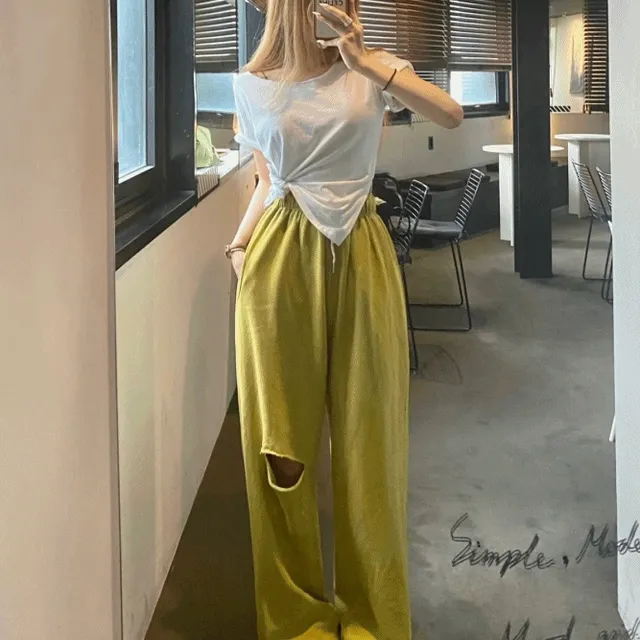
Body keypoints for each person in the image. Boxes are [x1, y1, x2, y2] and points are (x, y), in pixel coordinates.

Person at [227, 1, 463, 637]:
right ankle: (295, 616)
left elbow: (451, 114)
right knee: (279, 447)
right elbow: (267, 180)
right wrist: (239, 247)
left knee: (371, 440)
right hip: (278, 260)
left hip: (360, 248)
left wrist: (366, 62)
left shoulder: (374, 68)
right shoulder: (250, 85)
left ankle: (370, 619)